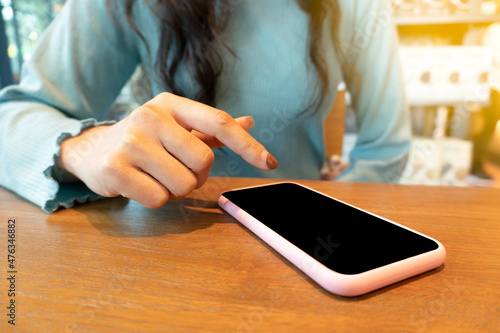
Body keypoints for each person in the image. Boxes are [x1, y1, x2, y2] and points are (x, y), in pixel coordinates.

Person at [0, 0, 411, 213]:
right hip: (168, 236)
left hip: (302, 246)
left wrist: (330, 227)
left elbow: (386, 147)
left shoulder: (356, 7)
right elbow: (13, 116)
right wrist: (85, 147)